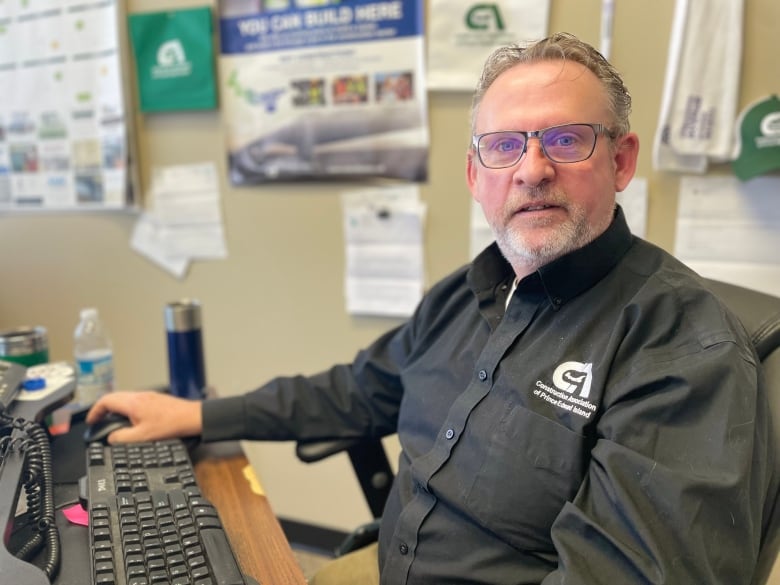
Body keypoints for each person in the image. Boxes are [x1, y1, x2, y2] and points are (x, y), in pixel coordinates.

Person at [87, 32, 775, 584]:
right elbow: (355, 391)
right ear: (477, 176)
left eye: (566, 139)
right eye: (505, 146)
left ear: (620, 161)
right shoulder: (465, 293)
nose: (532, 168)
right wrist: (198, 414)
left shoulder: (681, 347)